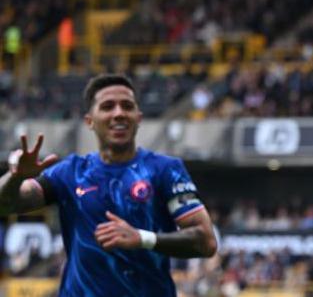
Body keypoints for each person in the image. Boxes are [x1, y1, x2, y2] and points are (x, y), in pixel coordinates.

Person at [0, 74, 217, 296]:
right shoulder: (70, 173)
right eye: (107, 107)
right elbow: (5, 205)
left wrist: (142, 238)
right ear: (89, 121)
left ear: (138, 117)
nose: (119, 113)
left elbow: (206, 241)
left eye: (127, 106)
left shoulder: (165, 170)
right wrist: (15, 176)